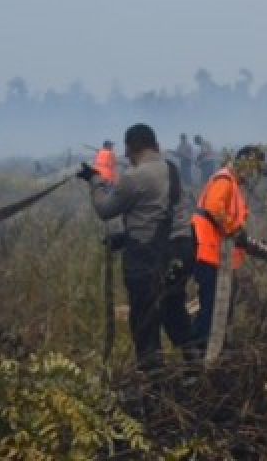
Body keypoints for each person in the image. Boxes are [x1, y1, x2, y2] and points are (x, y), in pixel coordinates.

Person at [79, 124, 173, 372]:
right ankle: (159, 368)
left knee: (142, 318)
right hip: (163, 250)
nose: (127, 155)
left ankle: (151, 375)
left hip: (141, 256)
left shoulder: (135, 176)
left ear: (133, 146)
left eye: (128, 150)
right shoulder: (169, 170)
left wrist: (94, 180)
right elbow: (152, 212)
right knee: (155, 312)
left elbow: (105, 209)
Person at [191, 145, 267, 355]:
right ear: (244, 164)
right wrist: (236, 231)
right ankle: (202, 359)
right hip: (209, 254)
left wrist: (248, 242)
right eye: (253, 170)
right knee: (212, 311)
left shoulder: (232, 184)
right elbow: (214, 208)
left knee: (217, 310)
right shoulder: (225, 180)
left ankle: (210, 352)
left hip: (218, 257)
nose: (253, 177)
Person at [159, 156, 196, 355]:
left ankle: (190, 354)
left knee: (170, 307)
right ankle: (190, 353)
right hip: (186, 248)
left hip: (174, 250)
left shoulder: (164, 197)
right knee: (175, 304)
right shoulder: (183, 194)